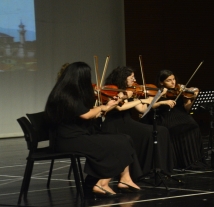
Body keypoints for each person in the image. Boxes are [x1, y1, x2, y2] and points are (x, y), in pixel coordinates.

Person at [45, 62, 142, 197]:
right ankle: (101, 183)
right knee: (120, 142)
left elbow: (92, 114)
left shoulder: (70, 93)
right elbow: (87, 114)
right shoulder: (66, 95)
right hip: (69, 140)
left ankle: (125, 179)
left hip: (77, 136)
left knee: (125, 138)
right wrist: (102, 108)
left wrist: (109, 105)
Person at [103, 66, 174, 176]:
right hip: (115, 124)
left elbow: (143, 109)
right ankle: (144, 169)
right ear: (123, 78)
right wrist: (141, 100)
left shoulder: (133, 91)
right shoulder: (113, 90)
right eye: (131, 77)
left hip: (128, 122)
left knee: (161, 130)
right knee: (149, 133)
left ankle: (158, 168)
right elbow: (121, 107)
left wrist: (156, 100)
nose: (134, 80)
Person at [155, 69, 204, 170]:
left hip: (182, 114)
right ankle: (181, 161)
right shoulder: (158, 92)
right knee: (179, 129)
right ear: (161, 82)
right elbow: (152, 106)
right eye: (169, 80)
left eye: (173, 79)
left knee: (193, 126)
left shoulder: (180, 91)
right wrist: (161, 95)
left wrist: (194, 99)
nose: (173, 82)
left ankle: (193, 160)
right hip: (167, 116)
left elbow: (187, 108)